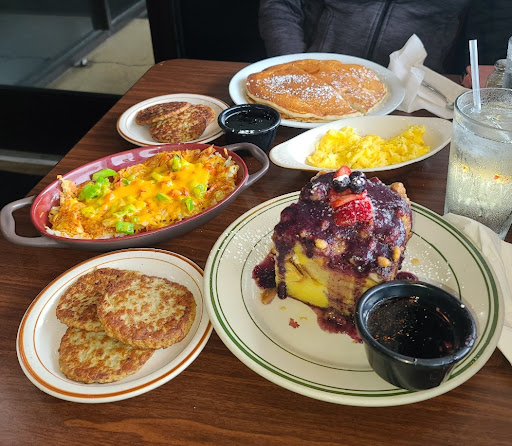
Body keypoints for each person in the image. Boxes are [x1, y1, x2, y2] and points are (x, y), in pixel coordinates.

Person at [258, 0, 510, 75]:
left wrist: (498, 67)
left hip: (418, 97)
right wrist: (291, 66)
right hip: (317, 77)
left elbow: (497, 17)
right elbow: (281, 4)